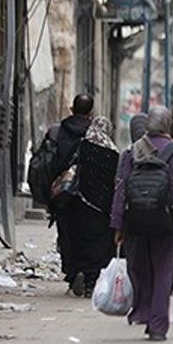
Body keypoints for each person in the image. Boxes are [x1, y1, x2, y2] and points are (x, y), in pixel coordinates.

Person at [111, 106, 173, 341]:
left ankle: (141, 312)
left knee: (140, 267)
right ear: (167, 125)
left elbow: (121, 189)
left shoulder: (131, 151)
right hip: (167, 220)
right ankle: (158, 326)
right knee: (163, 270)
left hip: (135, 221)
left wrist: (118, 225)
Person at [37, 95, 97, 294]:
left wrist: (48, 193)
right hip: (89, 195)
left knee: (66, 233)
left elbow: (46, 162)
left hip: (62, 192)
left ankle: (72, 274)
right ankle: (89, 279)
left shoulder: (56, 131)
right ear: (91, 113)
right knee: (88, 236)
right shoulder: (96, 134)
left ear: (72, 109)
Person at [62, 116, 119, 296]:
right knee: (98, 245)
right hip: (102, 208)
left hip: (78, 203)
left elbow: (66, 166)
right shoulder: (113, 153)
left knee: (77, 240)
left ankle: (75, 273)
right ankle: (90, 282)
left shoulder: (81, 146)